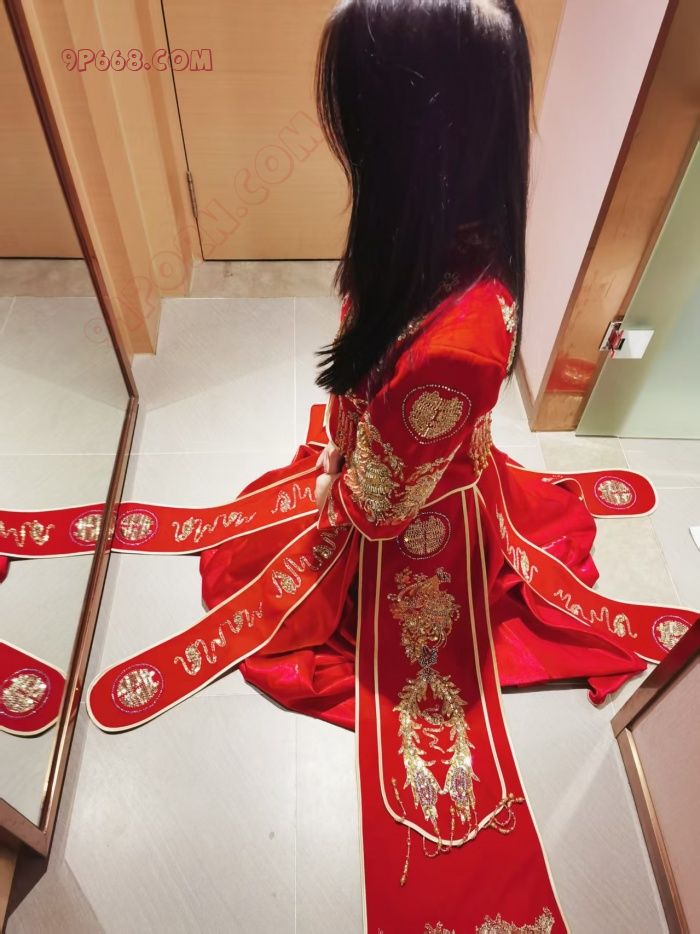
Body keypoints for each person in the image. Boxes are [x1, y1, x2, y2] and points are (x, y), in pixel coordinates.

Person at [85, 2, 695, 930]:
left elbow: (376, 510)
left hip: (416, 516)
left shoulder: (458, 338)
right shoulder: (438, 231)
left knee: (323, 623)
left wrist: (338, 472)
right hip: (400, 448)